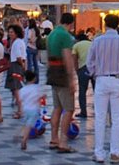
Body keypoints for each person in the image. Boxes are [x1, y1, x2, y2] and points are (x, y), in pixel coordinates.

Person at [87, 14, 119, 163]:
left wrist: (95, 74)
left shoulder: (97, 41)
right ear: (118, 25)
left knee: (100, 117)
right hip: (118, 80)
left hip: (101, 80)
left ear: (104, 24)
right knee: (117, 118)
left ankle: (99, 153)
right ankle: (115, 152)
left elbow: (89, 62)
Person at [46, 13, 77, 153]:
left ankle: (54, 139)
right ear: (71, 23)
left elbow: (47, 56)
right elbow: (67, 58)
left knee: (57, 107)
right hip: (62, 73)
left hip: (52, 71)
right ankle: (63, 141)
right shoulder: (65, 36)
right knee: (69, 109)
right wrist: (71, 79)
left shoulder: (52, 34)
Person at [18, 70, 45, 150]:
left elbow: (20, 99)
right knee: (29, 126)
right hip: (34, 110)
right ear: (34, 79)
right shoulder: (36, 88)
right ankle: (24, 140)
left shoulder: (23, 89)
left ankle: (19, 134)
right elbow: (39, 96)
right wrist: (43, 96)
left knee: (26, 124)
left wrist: (20, 110)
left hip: (25, 109)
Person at [5, 24, 27, 119]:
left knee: (16, 88)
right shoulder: (17, 42)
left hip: (15, 65)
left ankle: (20, 110)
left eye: (12, 32)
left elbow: (19, 57)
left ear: (16, 33)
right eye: (9, 32)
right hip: (15, 64)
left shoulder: (17, 43)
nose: (10, 34)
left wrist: (22, 66)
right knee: (15, 89)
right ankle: (20, 109)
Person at [72, 32, 93, 118]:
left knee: (82, 91)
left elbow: (74, 59)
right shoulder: (92, 44)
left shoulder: (76, 46)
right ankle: (101, 111)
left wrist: (77, 70)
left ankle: (83, 112)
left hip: (83, 68)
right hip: (94, 68)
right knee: (97, 91)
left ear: (78, 39)